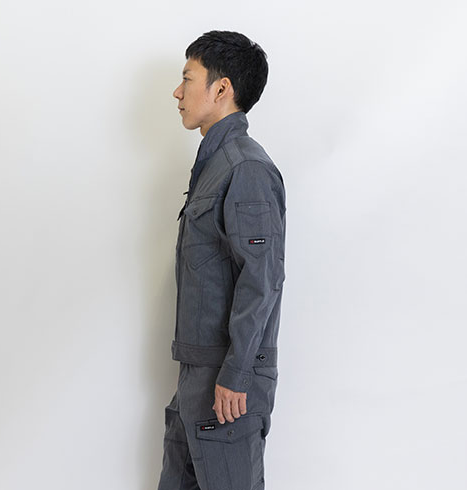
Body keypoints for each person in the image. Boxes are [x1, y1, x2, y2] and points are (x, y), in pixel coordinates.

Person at [157, 30, 286, 490]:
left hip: (227, 385)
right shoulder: (214, 166)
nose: (178, 92)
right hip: (197, 377)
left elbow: (262, 279)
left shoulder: (245, 168)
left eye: (187, 79)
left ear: (221, 89)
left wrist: (235, 373)